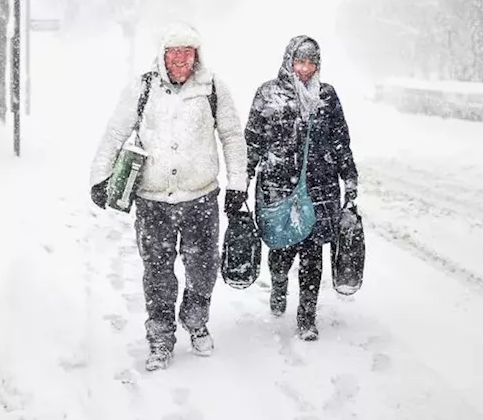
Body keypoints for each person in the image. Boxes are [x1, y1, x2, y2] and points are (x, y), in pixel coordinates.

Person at [89, 23, 249, 372]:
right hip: (153, 202)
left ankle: (195, 320)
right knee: (158, 272)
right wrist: (100, 177)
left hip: (201, 199)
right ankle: (160, 336)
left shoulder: (213, 88)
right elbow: (115, 132)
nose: (180, 59)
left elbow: (233, 137)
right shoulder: (143, 87)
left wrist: (238, 184)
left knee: (203, 269)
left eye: (187, 52)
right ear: (163, 55)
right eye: (174, 52)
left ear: (197, 55)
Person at [244, 35, 358, 341]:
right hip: (279, 188)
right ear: (288, 61)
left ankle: (307, 316)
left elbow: (340, 142)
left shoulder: (327, 96)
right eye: (300, 61)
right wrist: (240, 182)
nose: (305, 69)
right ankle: (279, 284)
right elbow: (252, 142)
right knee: (281, 249)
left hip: (320, 188)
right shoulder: (268, 94)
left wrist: (350, 179)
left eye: (311, 63)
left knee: (312, 253)